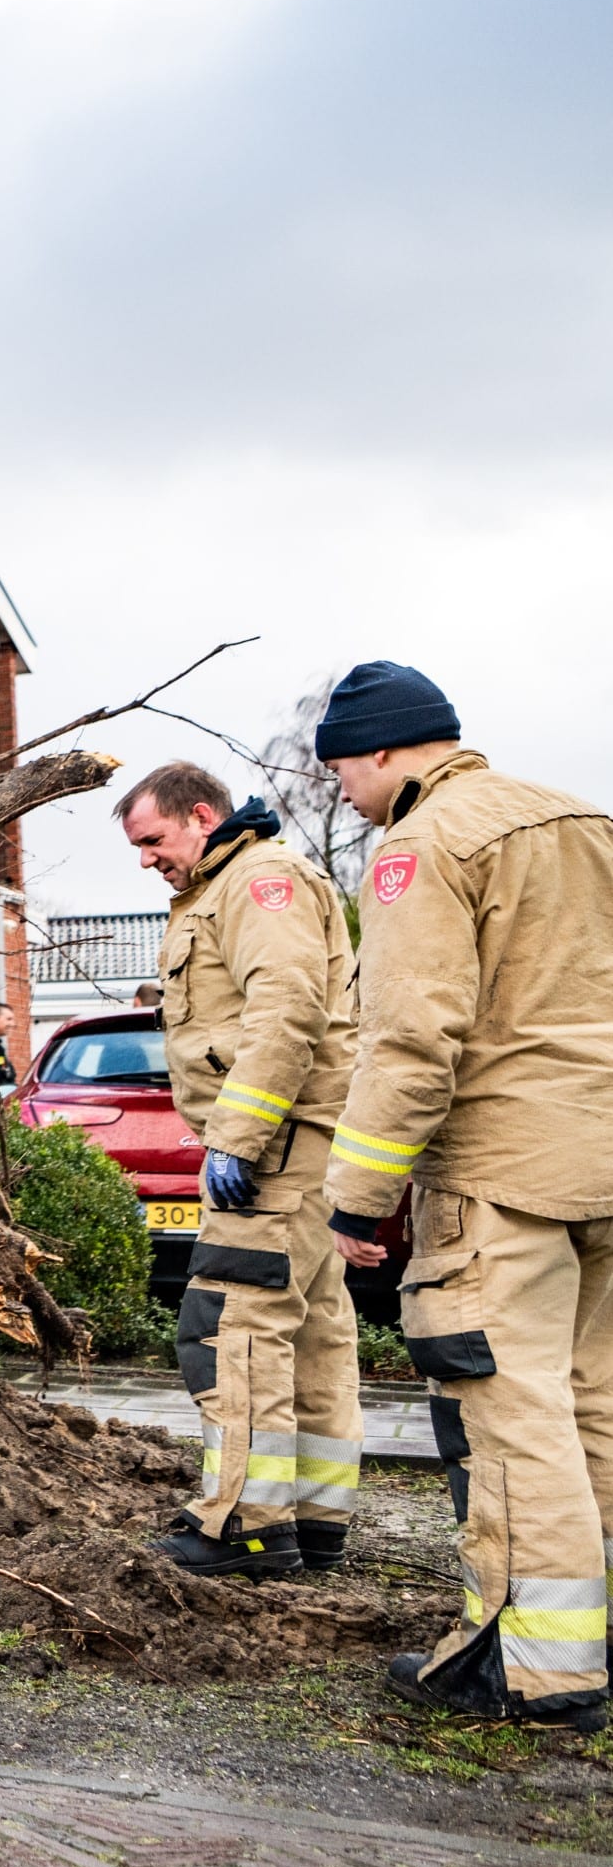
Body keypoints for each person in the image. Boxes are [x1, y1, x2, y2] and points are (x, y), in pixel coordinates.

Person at [316, 663, 613, 1732]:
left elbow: (410, 1041)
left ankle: (537, 1669)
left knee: (513, 1410)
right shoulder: (585, 820)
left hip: (503, 1174)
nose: (343, 790)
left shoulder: (422, 845)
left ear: (383, 750)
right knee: (594, 1404)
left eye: (341, 769)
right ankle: (590, 1636)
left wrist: (356, 1200)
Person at [120, 760, 362, 1578]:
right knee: (311, 1333)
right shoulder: (228, 887)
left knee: (232, 1329)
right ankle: (311, 1520)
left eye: (153, 839)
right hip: (301, 1148)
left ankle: (245, 1525)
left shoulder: (257, 884)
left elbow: (285, 1009)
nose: (146, 859)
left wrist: (237, 1135)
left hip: (273, 1154)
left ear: (200, 816)